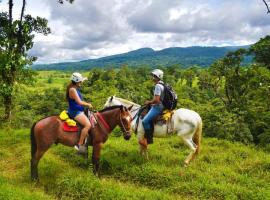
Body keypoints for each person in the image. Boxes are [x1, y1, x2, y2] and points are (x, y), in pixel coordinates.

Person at [66, 72, 93, 154]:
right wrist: (88, 104)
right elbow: (79, 102)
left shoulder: (73, 87)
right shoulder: (72, 90)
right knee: (88, 125)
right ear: (76, 82)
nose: (81, 83)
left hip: (78, 110)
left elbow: (79, 82)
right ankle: (79, 144)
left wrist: (84, 79)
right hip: (75, 112)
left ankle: (84, 145)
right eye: (80, 82)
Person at [141, 69, 165, 146]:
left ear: (158, 77)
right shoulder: (163, 84)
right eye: (153, 76)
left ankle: (149, 139)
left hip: (158, 107)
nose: (152, 78)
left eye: (154, 76)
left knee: (144, 121)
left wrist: (149, 102)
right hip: (162, 105)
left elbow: (157, 100)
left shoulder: (158, 86)